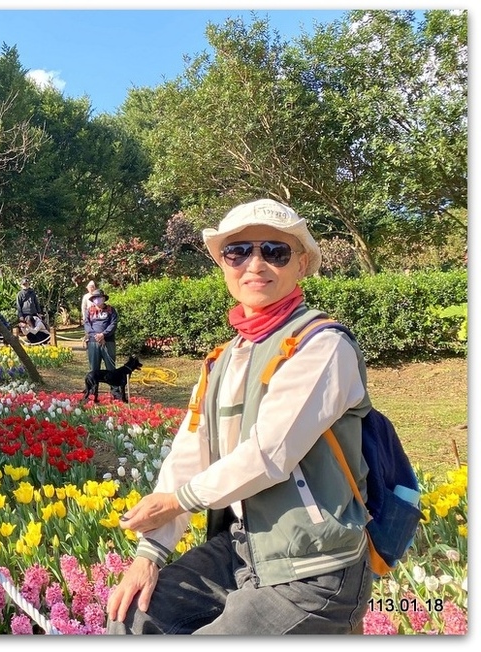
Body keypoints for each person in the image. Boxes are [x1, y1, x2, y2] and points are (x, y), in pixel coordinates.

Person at [106, 198, 372, 635]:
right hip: (243, 549)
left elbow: (269, 453)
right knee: (132, 620)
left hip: (313, 566)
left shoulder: (322, 346)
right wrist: (148, 554)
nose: (255, 263)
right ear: (222, 265)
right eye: (238, 252)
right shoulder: (223, 359)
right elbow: (189, 453)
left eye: (275, 251)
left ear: (302, 264)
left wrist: (178, 501)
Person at [83, 289, 118, 376]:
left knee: (111, 367)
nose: (97, 299)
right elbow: (87, 325)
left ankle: (115, 389)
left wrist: (103, 335)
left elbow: (113, 324)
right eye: (95, 297)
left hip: (108, 342)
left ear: (103, 298)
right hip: (93, 342)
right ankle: (93, 389)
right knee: (93, 368)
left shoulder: (111, 310)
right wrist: (96, 336)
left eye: (99, 297)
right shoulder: (89, 311)